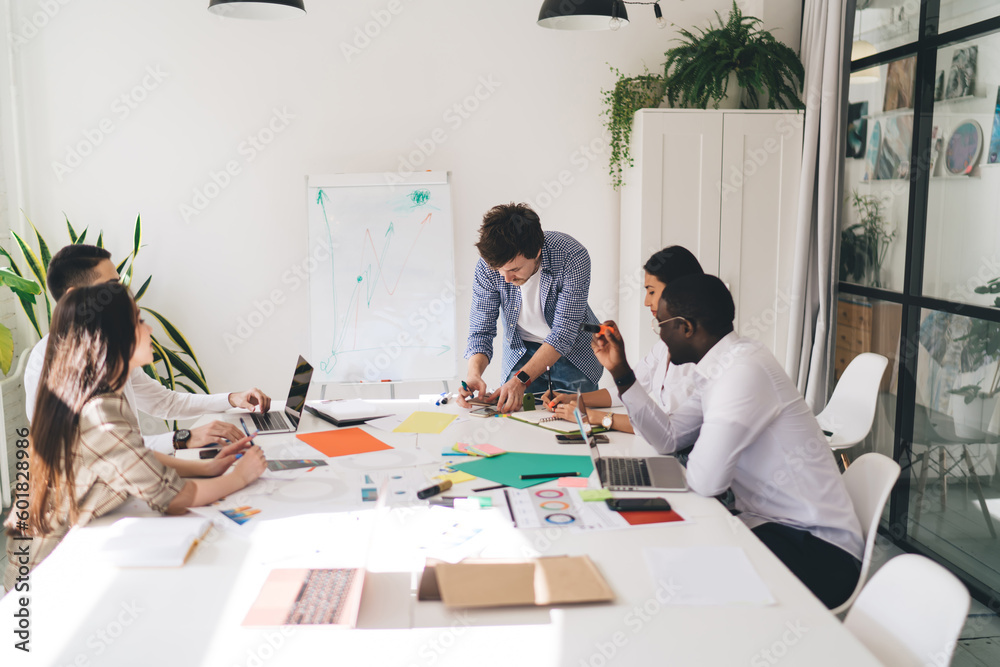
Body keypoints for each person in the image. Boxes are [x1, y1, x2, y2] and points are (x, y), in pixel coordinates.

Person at [590, 274, 863, 609]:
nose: (659, 336)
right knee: (664, 562)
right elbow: (669, 438)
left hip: (819, 550)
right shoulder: (721, 368)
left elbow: (706, 482)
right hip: (770, 526)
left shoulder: (741, 373)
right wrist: (621, 373)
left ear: (686, 327)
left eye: (661, 325)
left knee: (677, 583)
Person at [3, 283, 266, 591]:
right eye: (139, 320)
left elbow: (133, 457)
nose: (150, 328)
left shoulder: (98, 393)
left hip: (64, 554)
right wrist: (241, 477)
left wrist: (205, 468)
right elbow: (174, 499)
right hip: (45, 578)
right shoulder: (98, 412)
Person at [24, 244, 271, 454]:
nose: (120, 291)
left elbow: (164, 402)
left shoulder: (111, 345)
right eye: (111, 285)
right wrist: (182, 438)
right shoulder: (49, 363)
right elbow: (98, 451)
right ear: (76, 296)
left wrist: (231, 399)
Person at [457, 203, 602, 413]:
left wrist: (521, 380)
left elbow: (563, 334)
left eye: (514, 269)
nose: (505, 279)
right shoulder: (490, 264)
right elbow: (481, 330)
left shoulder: (572, 256)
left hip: (572, 353)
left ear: (536, 252)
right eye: (499, 270)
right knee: (515, 419)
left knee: (574, 421)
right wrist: (474, 373)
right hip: (520, 350)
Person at [542, 246, 703, 434]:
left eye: (651, 292)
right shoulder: (663, 347)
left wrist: (590, 417)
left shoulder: (698, 356)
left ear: (676, 291)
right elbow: (629, 389)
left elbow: (668, 428)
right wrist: (574, 399)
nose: (646, 302)